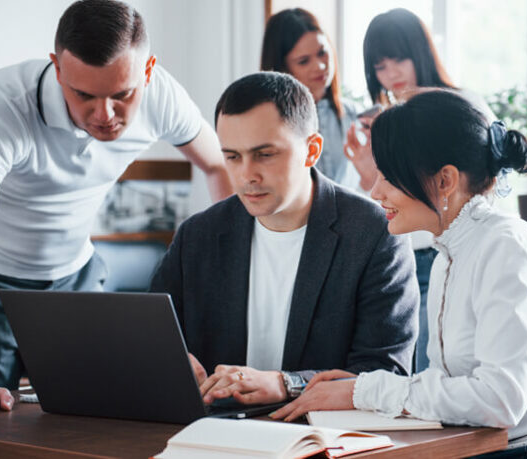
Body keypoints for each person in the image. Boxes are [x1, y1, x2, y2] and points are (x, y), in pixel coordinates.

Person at [272, 90, 527, 458]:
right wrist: (361, 387)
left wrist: (363, 392)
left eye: (388, 176)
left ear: (445, 180)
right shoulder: (449, 251)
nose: (373, 189)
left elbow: (499, 400)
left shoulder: (505, 245)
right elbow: (456, 387)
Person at [0, 0, 231, 419]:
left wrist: (230, 262)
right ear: (58, 69)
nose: (105, 115)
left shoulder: (162, 96)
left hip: (77, 276)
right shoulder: (5, 101)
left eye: (122, 95)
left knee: (96, 414)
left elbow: (218, 164)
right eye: (84, 95)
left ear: (147, 71)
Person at [149, 72, 419, 407]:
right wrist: (167, 363)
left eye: (265, 154)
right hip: (214, 433)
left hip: (322, 438)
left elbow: (385, 373)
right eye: (232, 156)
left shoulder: (376, 234)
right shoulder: (197, 236)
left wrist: (287, 384)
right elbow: (150, 338)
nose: (247, 175)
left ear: (312, 150)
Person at [346, 7, 498, 373]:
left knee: (438, 369)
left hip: (443, 253)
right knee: (405, 367)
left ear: (421, 51)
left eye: (398, 59)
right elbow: (379, 197)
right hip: (397, 256)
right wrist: (369, 173)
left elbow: (483, 186)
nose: (391, 73)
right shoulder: (377, 121)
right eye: (379, 66)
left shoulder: (460, 107)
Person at [260, 8, 360, 190]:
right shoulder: (268, 125)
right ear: (282, 68)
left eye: (322, 52)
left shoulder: (356, 116)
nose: (320, 66)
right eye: (304, 61)